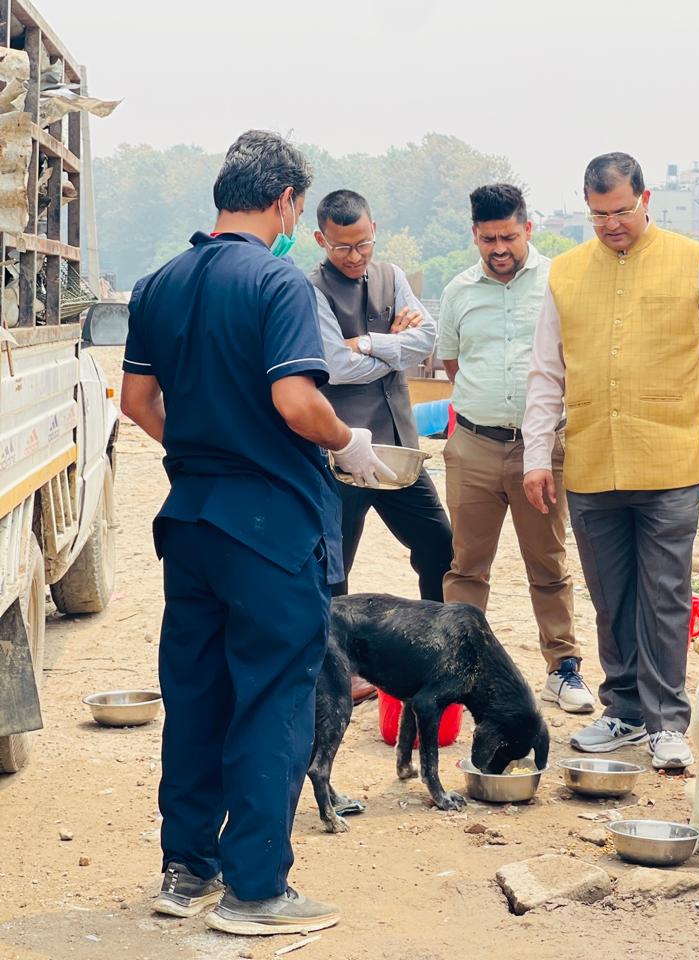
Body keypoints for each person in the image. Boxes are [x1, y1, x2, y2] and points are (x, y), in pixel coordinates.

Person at [121, 131, 393, 935]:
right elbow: (299, 405)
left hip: (192, 522)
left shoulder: (157, 284)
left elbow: (138, 404)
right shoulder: (276, 283)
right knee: (274, 697)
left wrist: (203, 449)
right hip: (271, 529)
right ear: (283, 203)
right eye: (297, 210)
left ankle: (186, 869)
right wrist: (354, 446)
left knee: (197, 694)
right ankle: (257, 891)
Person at [522, 152, 699, 770]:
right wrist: (537, 455)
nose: (611, 224)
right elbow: (546, 371)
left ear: (646, 199)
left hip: (670, 461)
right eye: (598, 215)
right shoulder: (566, 274)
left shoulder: (693, 261)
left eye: (621, 211)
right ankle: (623, 711)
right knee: (610, 595)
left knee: (667, 594)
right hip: (593, 462)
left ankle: (669, 720)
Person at [436, 183, 592, 714]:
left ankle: (563, 667)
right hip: (474, 444)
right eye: (487, 239)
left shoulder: (559, 281)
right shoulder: (458, 291)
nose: (499, 248)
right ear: (474, 235)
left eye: (508, 237)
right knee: (466, 565)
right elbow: (454, 366)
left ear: (528, 227)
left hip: (543, 447)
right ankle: (457, 667)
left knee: (547, 561)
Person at [309, 189, 453, 610]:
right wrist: (396, 350)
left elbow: (427, 337)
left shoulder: (393, 275)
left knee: (440, 546)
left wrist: (370, 342)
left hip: (400, 450)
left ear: (374, 229)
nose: (355, 256)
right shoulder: (311, 290)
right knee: (334, 567)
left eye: (363, 243)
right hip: (343, 453)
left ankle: (436, 633)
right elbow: (337, 367)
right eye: (342, 247)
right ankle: (337, 661)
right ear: (321, 240)